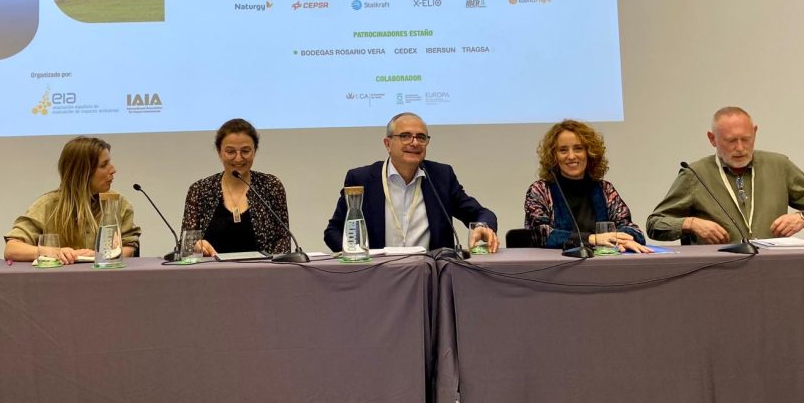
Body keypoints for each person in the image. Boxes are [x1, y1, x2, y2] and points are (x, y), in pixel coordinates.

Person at [646, 106, 804, 244]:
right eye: (731, 141)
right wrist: (691, 223)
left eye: (746, 139)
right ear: (712, 139)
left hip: (772, 269)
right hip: (715, 272)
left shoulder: (779, 166)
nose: (740, 148)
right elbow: (655, 224)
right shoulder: (695, 174)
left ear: (755, 132)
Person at [324, 112, 499, 253]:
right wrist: (356, 254)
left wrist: (482, 227)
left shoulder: (441, 176)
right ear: (387, 144)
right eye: (405, 136)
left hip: (431, 274)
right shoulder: (361, 179)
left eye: (421, 137)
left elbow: (480, 213)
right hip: (377, 274)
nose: (414, 143)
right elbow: (334, 231)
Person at [4, 136, 141, 264]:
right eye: (104, 165)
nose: (113, 170)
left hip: (106, 278)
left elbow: (129, 248)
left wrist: (102, 255)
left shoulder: (117, 203)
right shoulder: (48, 205)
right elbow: (11, 249)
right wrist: (50, 252)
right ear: (82, 172)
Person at [524, 119, 650, 253]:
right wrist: (592, 239)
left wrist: (623, 239)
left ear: (589, 153)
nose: (571, 156)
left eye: (578, 149)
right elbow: (540, 234)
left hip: (602, 262)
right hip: (555, 263)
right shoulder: (540, 190)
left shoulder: (605, 189)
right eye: (563, 150)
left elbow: (632, 229)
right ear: (553, 156)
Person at [182, 118, 291, 256]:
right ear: (219, 152)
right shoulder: (200, 190)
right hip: (212, 269)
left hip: (262, 269)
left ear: (255, 151)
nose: (238, 158)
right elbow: (185, 246)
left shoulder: (271, 185)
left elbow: (283, 240)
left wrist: (270, 266)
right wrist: (196, 246)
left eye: (245, 151)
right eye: (230, 151)